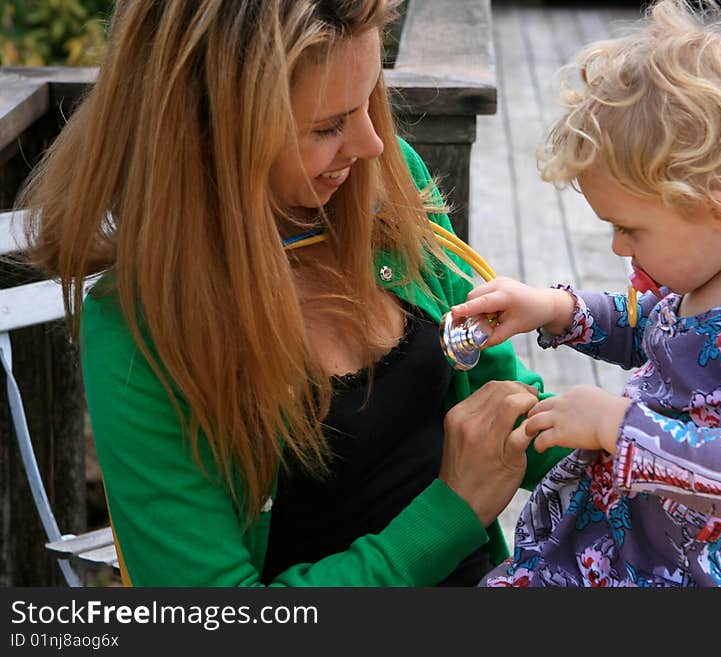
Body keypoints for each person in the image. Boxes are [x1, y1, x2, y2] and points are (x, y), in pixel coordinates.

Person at [18, 0, 568, 586]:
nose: (373, 144)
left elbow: (501, 396)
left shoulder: (384, 180)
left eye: (369, 101)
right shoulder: (140, 332)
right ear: (210, 130)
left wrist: (634, 448)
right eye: (328, 125)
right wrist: (451, 515)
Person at [452, 0, 721, 587]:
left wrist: (616, 424)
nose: (620, 248)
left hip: (719, 563)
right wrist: (557, 310)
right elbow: (664, 333)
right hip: (661, 534)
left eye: (631, 228)